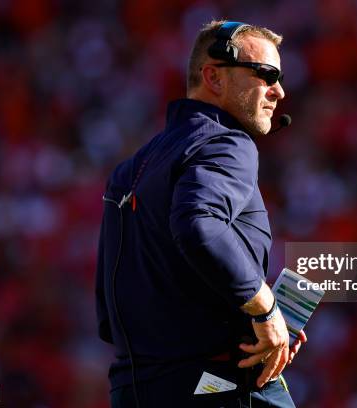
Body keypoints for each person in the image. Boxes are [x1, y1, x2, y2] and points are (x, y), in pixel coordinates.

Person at [95, 20, 306, 407]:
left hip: (133, 391)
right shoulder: (228, 142)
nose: (279, 91)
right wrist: (266, 312)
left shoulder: (128, 170)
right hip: (217, 388)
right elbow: (198, 226)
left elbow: (109, 320)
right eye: (267, 74)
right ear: (214, 76)